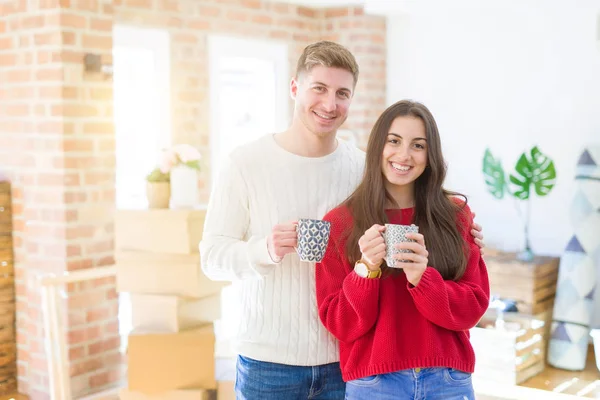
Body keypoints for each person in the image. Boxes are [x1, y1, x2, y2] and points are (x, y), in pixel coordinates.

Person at [200, 41, 485, 400]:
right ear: (294, 87)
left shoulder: (363, 167)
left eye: (342, 93)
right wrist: (265, 250)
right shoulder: (245, 163)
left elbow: (416, 198)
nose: (329, 104)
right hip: (269, 360)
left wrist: (463, 229)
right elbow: (211, 258)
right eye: (318, 88)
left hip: (344, 361)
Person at [316, 100, 490, 400]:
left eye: (418, 145)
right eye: (393, 141)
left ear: (430, 154)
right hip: (374, 384)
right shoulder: (341, 223)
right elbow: (341, 324)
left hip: (447, 379)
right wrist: (365, 269)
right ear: (376, 147)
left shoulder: (456, 215)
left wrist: (424, 278)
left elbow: (473, 306)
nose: (404, 155)